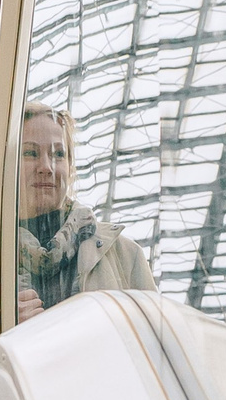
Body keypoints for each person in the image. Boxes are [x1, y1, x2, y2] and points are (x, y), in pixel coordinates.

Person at [14, 101, 153, 325]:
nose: (46, 167)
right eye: (30, 153)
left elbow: (154, 346)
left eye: (58, 154)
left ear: (70, 167)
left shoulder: (125, 255)